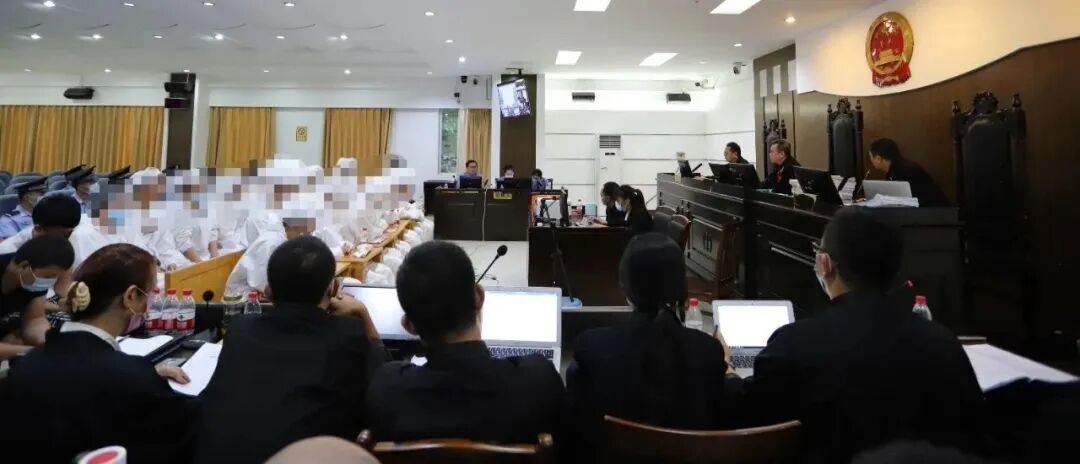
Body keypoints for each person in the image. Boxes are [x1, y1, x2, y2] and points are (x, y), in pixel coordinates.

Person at [743, 208, 985, 463]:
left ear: (825, 264)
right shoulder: (943, 343)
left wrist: (726, 370)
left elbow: (750, 423)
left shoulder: (792, 343)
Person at [0, 243, 196, 464]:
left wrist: (139, 375)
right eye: (149, 292)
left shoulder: (25, 367)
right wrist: (140, 377)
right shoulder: (131, 378)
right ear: (131, 296)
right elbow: (184, 431)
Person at [195, 236, 384, 464]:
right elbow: (384, 378)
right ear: (333, 289)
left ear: (268, 292)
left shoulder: (240, 330)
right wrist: (362, 313)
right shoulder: (349, 333)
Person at [365, 241, 567, 444]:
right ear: (478, 297)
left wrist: (366, 320)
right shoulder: (539, 381)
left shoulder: (387, 391)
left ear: (409, 326)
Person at [567, 233, 734, 459]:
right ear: (681, 288)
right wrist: (728, 370)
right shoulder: (709, 352)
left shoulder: (592, 348)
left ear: (624, 289)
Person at [0, 235, 75, 360]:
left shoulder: (31, 282)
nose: (50, 281)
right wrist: (34, 351)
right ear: (24, 266)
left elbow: (35, 320)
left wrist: (49, 342)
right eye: (48, 276)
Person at [224, 217, 315, 298]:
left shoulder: (289, 240)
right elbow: (264, 287)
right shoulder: (272, 243)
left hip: (266, 293)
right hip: (242, 298)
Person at [869, 138, 949, 207]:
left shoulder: (904, 171)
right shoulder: (894, 169)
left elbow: (902, 201)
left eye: (871, 157)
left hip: (933, 211)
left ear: (878, 159)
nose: (871, 160)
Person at [0, 176, 47, 241]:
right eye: (41, 194)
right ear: (27, 198)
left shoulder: (47, 215)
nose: (44, 197)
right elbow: (12, 243)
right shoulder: (9, 219)